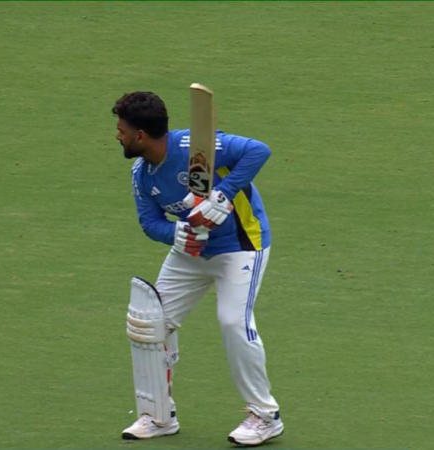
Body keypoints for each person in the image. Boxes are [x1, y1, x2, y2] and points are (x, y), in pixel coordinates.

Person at [113, 91, 283, 446]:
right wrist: (178, 233)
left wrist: (221, 195)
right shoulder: (142, 173)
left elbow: (258, 151)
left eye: (122, 129)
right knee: (151, 324)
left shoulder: (195, 146)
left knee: (233, 322)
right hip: (190, 254)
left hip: (240, 245)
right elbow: (149, 222)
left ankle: (265, 416)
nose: (118, 135)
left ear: (140, 135)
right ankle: (159, 415)